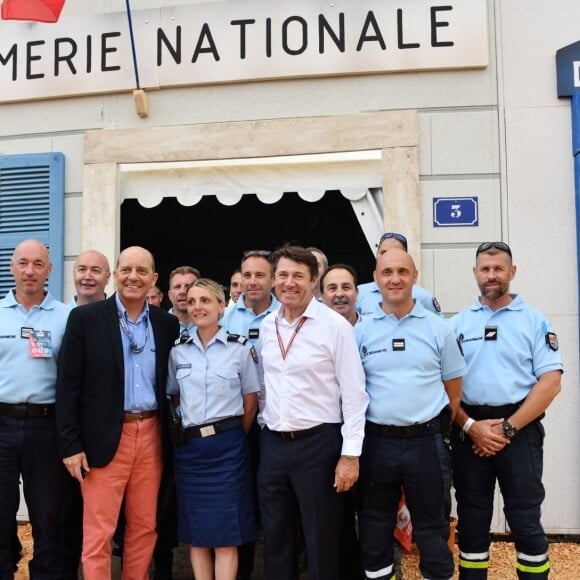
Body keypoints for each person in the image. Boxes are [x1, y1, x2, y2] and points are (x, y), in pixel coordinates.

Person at [56, 246, 180, 580]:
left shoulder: (166, 324)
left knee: (144, 527)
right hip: (104, 439)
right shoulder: (86, 319)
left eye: (142, 271)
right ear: (114, 275)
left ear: (153, 279)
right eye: (126, 269)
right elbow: (67, 386)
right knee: (98, 532)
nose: (133, 277)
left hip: (152, 435)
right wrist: (70, 445)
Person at [449, 242, 563, 579]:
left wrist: (507, 429)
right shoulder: (457, 325)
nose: (492, 275)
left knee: (525, 519)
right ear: (475, 274)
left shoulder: (534, 321)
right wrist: (471, 426)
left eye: (499, 269)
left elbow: (551, 382)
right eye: (485, 269)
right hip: (469, 431)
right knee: (472, 520)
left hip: (520, 430)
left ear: (512, 272)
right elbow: (445, 387)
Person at [256, 245, 369, 580]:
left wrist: (350, 455)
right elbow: (265, 385)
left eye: (298, 277)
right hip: (274, 444)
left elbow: (354, 395)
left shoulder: (335, 327)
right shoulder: (266, 326)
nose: (290, 283)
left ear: (314, 281)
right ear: (274, 280)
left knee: (321, 539)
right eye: (283, 275)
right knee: (275, 538)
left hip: (319, 446)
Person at [355, 248, 465, 580]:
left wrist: (435, 425)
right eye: (387, 272)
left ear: (415, 278)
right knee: (374, 529)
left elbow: (454, 390)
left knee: (432, 529)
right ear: (375, 279)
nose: (395, 279)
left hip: (425, 443)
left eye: (403, 271)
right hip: (376, 444)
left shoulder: (438, 328)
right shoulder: (360, 331)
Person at [167, 278, 259, 580]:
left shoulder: (240, 350)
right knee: (198, 534)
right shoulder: (178, 352)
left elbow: (250, 402)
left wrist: (229, 435)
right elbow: (175, 398)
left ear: (221, 306)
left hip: (228, 450)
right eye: (192, 302)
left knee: (226, 534)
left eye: (205, 301)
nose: (197, 307)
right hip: (192, 453)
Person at [0, 239, 70, 579]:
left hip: (47, 425)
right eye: (23, 263)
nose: (30, 271)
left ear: (49, 269)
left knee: (47, 515)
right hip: (1, 424)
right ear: (12, 267)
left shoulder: (66, 317)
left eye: (38, 264)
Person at [221, 250, 280, 580]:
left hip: (274, 421)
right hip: (241, 421)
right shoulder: (228, 318)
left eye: (260, 275)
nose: (253, 282)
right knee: (241, 498)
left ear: (272, 279)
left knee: (273, 501)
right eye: (247, 275)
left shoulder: (283, 314)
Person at [62, 250, 111, 579]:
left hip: (107, 437)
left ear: (109, 276)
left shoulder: (123, 317)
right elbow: (65, 382)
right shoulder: (58, 316)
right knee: (64, 515)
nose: (87, 275)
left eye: (96, 270)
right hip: (64, 432)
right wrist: (68, 440)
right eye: (81, 269)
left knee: (104, 521)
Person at [357, 232, 443, 316]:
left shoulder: (422, 296)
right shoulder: (359, 294)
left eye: (395, 252)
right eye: (383, 252)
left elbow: (439, 326)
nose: (389, 256)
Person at [167, 266, 200, 336]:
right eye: (177, 287)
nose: (182, 291)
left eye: (188, 286)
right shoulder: (157, 325)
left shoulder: (212, 325)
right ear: (170, 295)